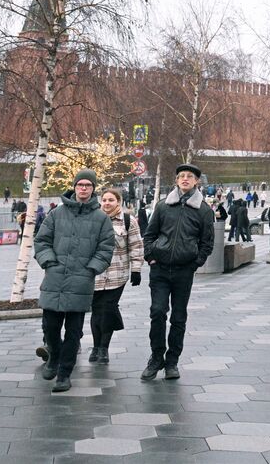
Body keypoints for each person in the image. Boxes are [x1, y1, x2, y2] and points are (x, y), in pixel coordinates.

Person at [33, 170, 115, 392]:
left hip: (81, 280)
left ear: (93, 189)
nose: (84, 188)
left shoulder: (101, 218)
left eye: (88, 185)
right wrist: (49, 262)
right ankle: (54, 357)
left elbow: (106, 248)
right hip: (55, 278)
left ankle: (64, 373)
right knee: (50, 326)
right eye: (80, 184)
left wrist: (91, 269)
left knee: (73, 331)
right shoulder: (57, 214)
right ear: (74, 186)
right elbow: (41, 241)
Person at [141, 163, 215, 382]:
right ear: (176, 180)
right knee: (157, 312)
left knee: (179, 317)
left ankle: (172, 362)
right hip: (160, 269)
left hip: (184, 271)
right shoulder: (164, 206)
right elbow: (150, 234)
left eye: (189, 176)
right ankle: (156, 358)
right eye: (181, 176)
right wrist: (150, 256)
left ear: (196, 181)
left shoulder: (203, 209)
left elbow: (207, 242)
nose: (185, 179)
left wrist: (196, 263)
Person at [90, 187, 144, 365]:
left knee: (107, 309)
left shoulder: (128, 221)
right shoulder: (93, 219)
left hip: (117, 274)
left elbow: (136, 246)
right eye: (104, 200)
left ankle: (104, 348)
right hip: (95, 274)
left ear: (118, 202)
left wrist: (136, 269)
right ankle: (96, 346)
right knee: (97, 312)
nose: (106, 203)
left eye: (111, 200)